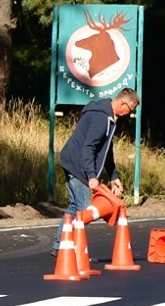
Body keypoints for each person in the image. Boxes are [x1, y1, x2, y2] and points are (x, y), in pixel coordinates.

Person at [58, 88, 139, 222]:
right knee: (85, 210)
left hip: (73, 161)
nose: (129, 114)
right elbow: (89, 147)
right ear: (122, 103)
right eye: (131, 110)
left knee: (75, 207)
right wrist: (92, 176)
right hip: (77, 165)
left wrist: (113, 177)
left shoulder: (109, 118)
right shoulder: (102, 118)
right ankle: (69, 241)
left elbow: (106, 150)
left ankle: (62, 241)